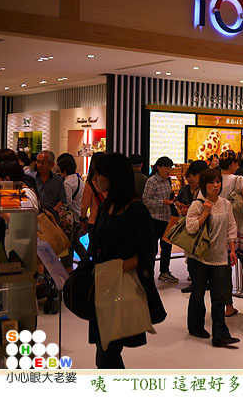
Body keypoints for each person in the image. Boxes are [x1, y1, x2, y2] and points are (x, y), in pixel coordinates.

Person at [88, 153, 165, 369]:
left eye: (100, 174)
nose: (95, 179)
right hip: (103, 287)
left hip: (122, 288)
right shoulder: (106, 206)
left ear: (114, 176)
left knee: (107, 353)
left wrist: (114, 268)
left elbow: (147, 253)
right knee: (104, 350)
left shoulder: (136, 210)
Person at [185, 168, 240, 348]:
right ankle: (195, 326)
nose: (216, 185)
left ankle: (220, 334)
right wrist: (205, 213)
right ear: (204, 185)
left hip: (220, 257)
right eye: (211, 182)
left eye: (218, 182)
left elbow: (231, 227)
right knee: (198, 293)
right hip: (199, 258)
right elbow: (191, 227)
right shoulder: (198, 204)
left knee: (218, 297)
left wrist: (232, 250)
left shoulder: (226, 204)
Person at [219, 150, 243, 318]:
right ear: (232, 164)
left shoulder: (214, 180)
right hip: (240, 227)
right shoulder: (239, 180)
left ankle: (228, 306)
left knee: (224, 270)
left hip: (221, 228)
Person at [142, 156, 178, 283]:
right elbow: (146, 200)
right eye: (166, 167)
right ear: (159, 167)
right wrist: (162, 202)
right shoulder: (152, 181)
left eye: (170, 167)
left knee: (167, 246)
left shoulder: (169, 180)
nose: (169, 170)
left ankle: (164, 272)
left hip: (167, 219)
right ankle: (148, 274)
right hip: (154, 219)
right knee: (152, 248)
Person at [175, 160, 208, 294]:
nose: (191, 178)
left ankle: (199, 282)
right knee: (191, 254)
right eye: (189, 175)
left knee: (199, 254)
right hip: (191, 225)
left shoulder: (205, 190)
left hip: (202, 226)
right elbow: (178, 201)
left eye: (194, 175)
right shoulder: (185, 189)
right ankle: (196, 281)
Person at [57, 153, 87, 266]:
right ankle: (87, 262)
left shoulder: (67, 183)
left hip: (70, 219)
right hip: (79, 217)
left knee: (67, 245)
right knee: (76, 242)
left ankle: (67, 268)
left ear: (63, 169)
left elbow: (67, 201)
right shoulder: (79, 180)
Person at [80, 152, 107, 240]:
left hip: (94, 222)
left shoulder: (91, 184)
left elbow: (84, 206)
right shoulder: (111, 182)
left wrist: (82, 221)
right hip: (109, 221)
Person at [35, 150, 66, 216]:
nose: (39, 165)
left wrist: (54, 210)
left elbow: (62, 199)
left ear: (51, 164)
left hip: (51, 214)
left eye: (43, 163)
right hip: (34, 213)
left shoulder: (58, 180)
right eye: (38, 162)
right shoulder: (31, 178)